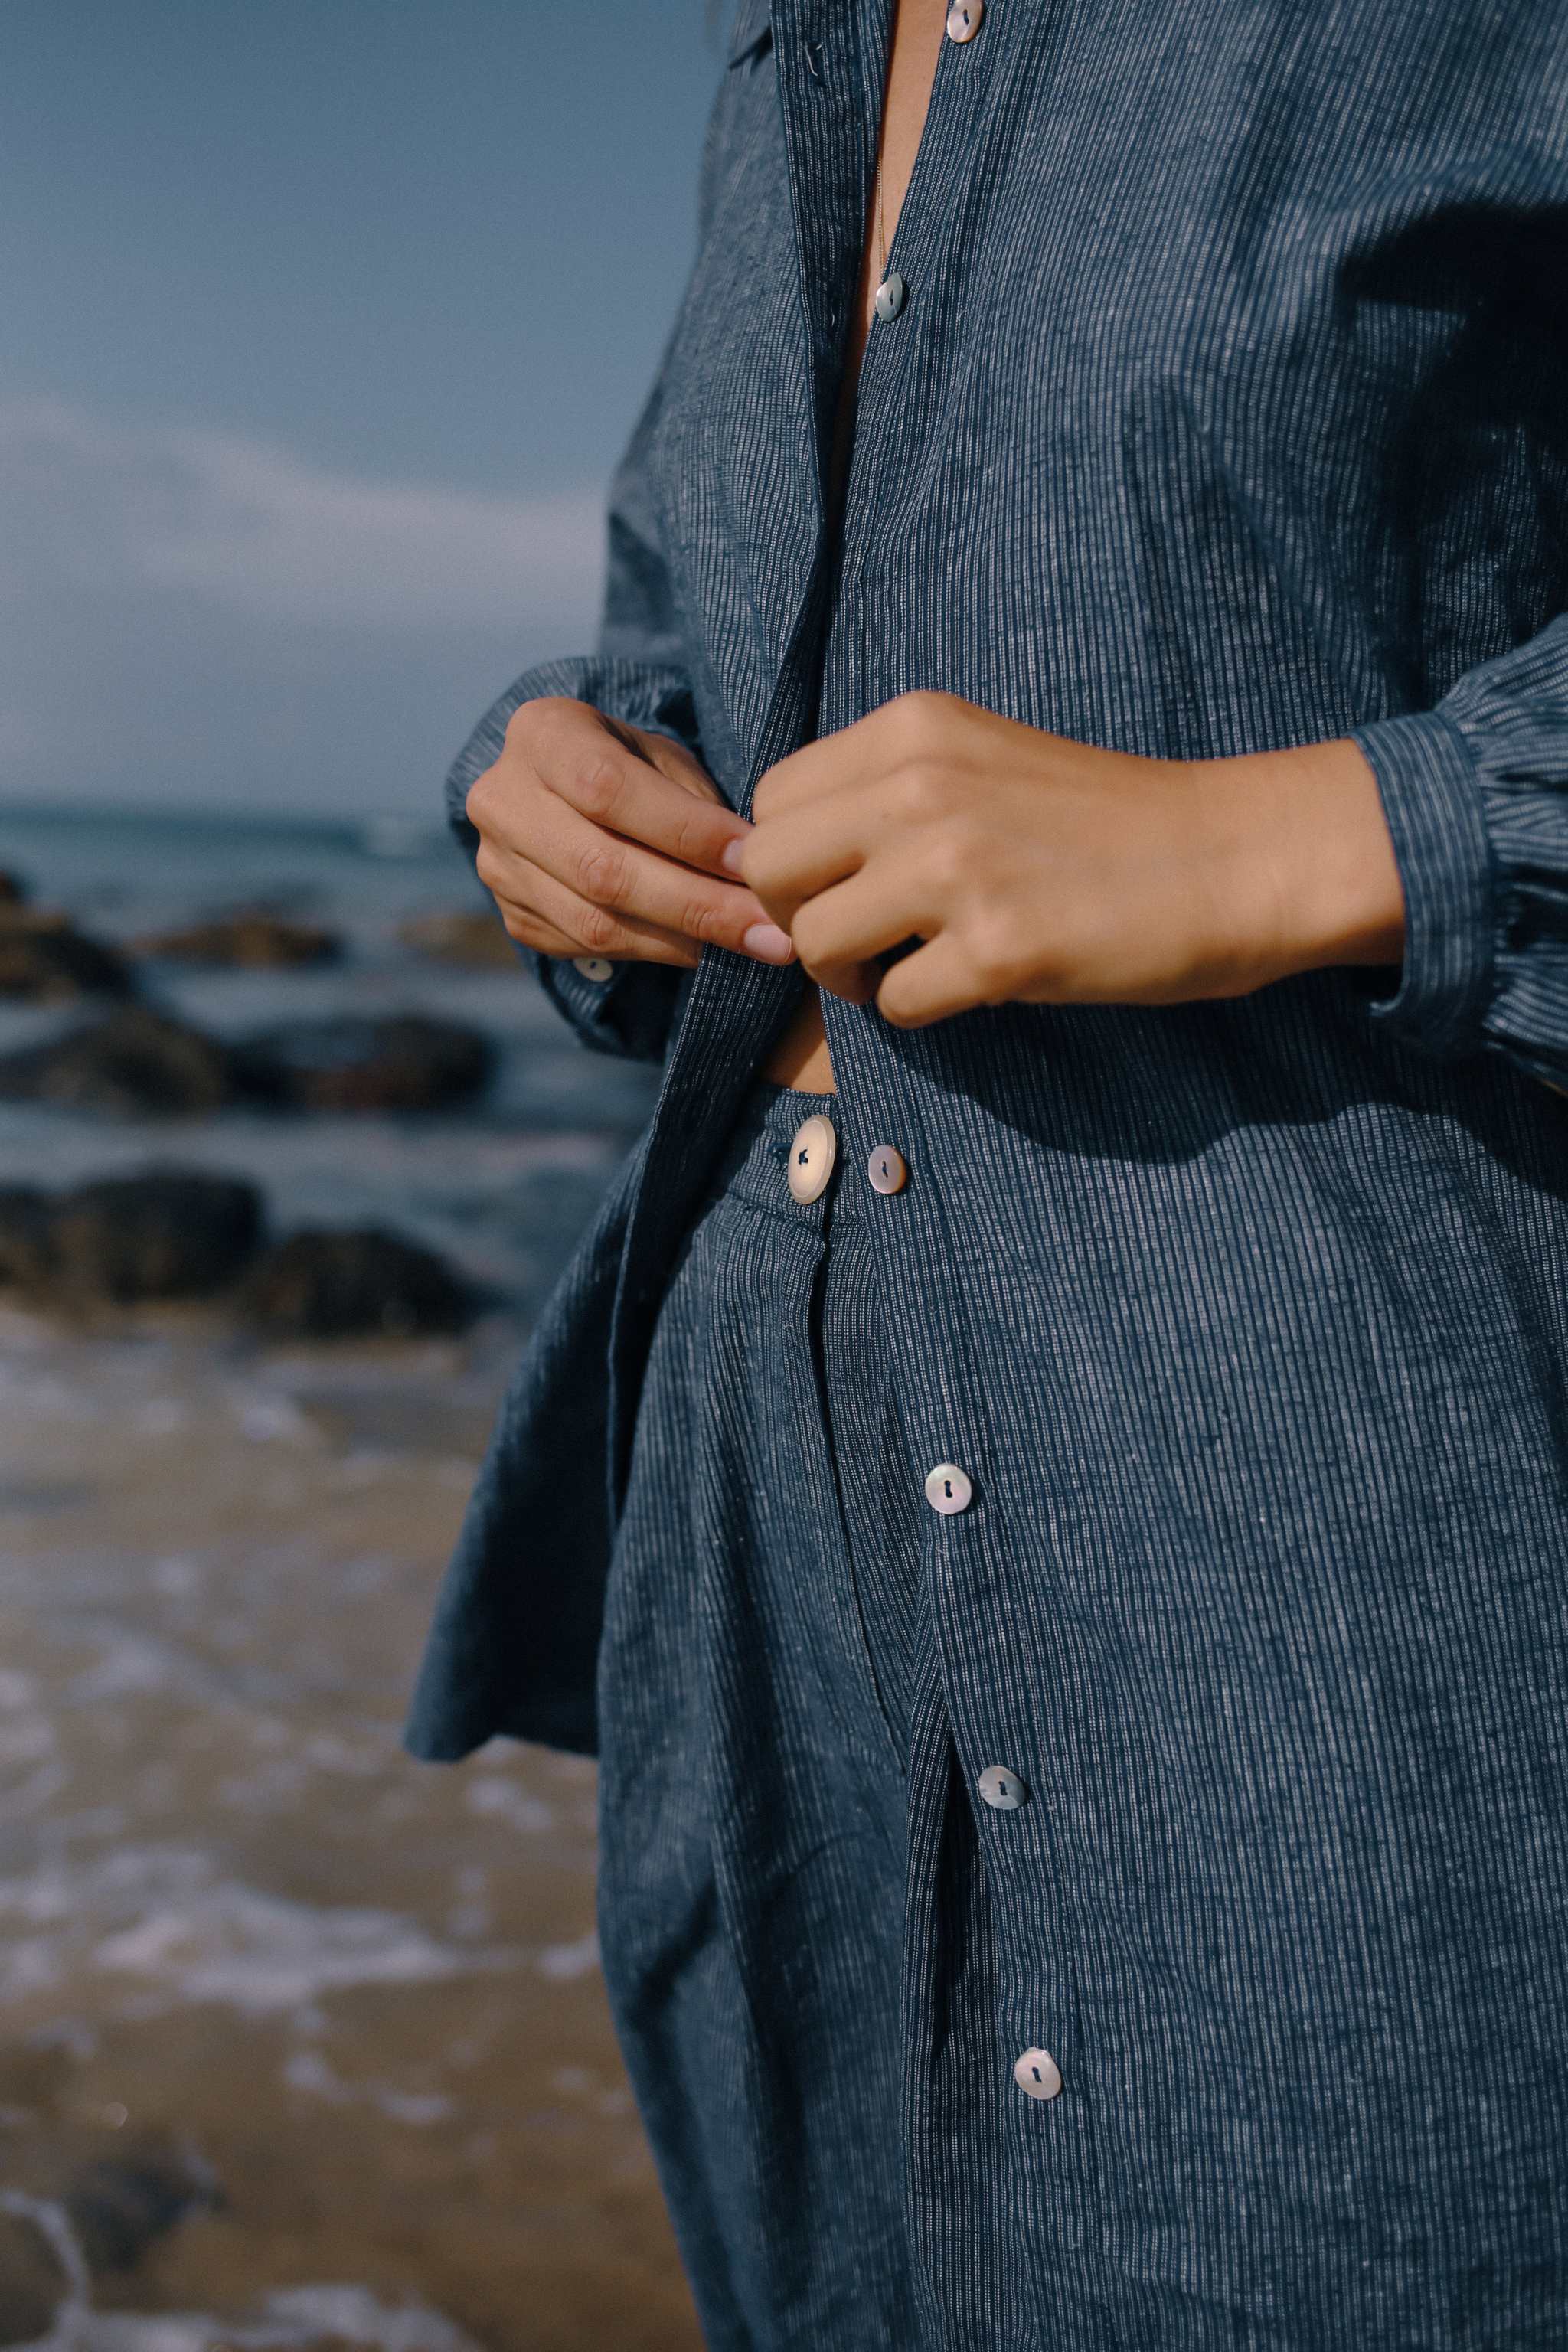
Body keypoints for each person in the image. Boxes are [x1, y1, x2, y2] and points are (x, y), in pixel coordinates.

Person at [405, 1, 1568, 2343]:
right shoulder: (778, 67)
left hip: (1305, 1556)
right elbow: (691, 639)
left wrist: (1319, 830)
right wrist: (553, 796)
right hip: (765, 1548)